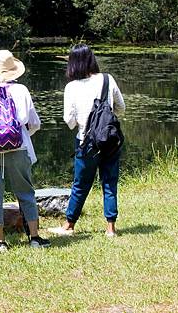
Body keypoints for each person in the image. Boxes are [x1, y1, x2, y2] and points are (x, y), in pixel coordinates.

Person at [0, 50, 51, 250]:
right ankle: (34, 238)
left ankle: (0, 242)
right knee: (25, 192)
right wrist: (19, 136)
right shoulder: (21, 90)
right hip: (18, 148)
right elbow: (34, 123)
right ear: (13, 70)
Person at [49, 44, 125, 237]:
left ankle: (69, 225)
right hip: (109, 139)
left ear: (73, 63)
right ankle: (110, 228)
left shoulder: (71, 87)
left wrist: (83, 120)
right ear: (92, 59)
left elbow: (69, 121)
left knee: (80, 185)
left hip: (86, 142)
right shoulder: (108, 79)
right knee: (109, 183)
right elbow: (121, 108)